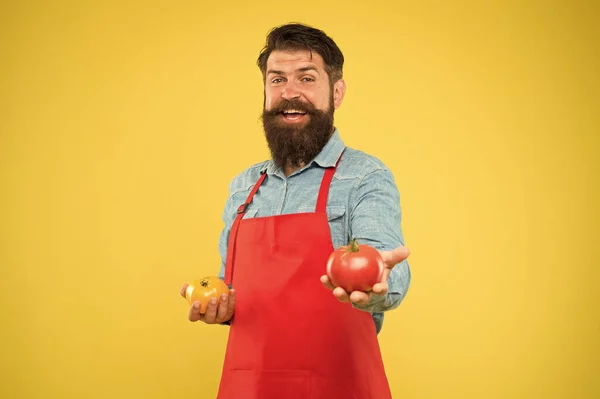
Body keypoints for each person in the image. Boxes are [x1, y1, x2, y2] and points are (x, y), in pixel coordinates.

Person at [180, 22, 411, 399]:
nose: (290, 93)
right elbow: (235, 290)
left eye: (306, 78)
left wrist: (377, 280)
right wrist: (221, 306)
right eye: (277, 80)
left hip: (339, 387)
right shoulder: (243, 186)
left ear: (336, 92)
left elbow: (388, 270)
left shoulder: (364, 176)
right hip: (250, 387)